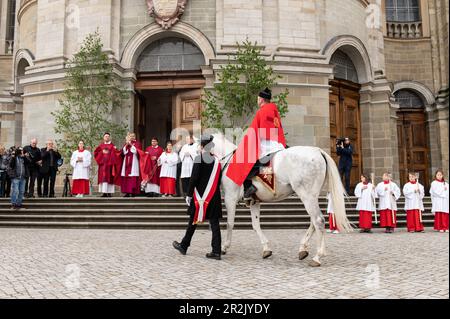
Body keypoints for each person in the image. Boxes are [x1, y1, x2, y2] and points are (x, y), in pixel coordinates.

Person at [226, 88, 286, 199]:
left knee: (244, 159)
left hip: (267, 144)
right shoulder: (273, 110)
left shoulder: (262, 111)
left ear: (262, 99)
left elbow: (261, 131)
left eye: (258, 99)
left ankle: (249, 186)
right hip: (277, 142)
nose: (257, 101)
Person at [173, 135, 223, 260]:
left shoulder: (198, 159)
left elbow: (193, 179)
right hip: (213, 195)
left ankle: (184, 246)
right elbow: (218, 180)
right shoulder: (217, 161)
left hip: (200, 196)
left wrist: (189, 194)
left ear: (201, 146)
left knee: (192, 221)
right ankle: (216, 251)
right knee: (215, 223)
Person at [94, 133, 119, 197]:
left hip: (110, 165)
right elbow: (96, 153)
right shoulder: (101, 146)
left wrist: (114, 150)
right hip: (103, 165)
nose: (107, 137)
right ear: (103, 137)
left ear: (109, 138)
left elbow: (117, 154)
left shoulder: (112, 146)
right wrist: (101, 152)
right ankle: (104, 193)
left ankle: (109, 193)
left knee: (109, 179)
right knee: (103, 179)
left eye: (108, 136)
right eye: (106, 136)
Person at [120, 132, 142, 197]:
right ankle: (127, 192)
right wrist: (126, 145)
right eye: (130, 136)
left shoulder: (137, 143)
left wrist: (131, 145)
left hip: (134, 162)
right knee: (126, 177)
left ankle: (133, 192)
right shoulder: (126, 143)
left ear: (135, 137)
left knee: (133, 176)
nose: (132, 137)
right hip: (126, 161)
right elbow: (123, 152)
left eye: (133, 136)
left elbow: (136, 152)